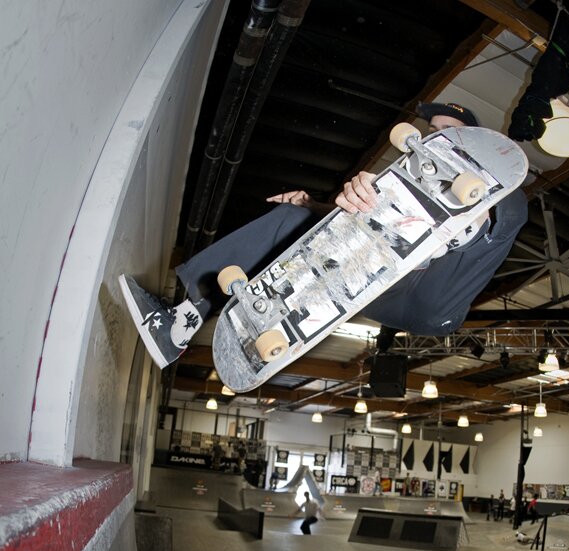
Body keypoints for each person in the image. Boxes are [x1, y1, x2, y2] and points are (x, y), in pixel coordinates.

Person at [119, 102, 528, 369]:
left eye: (447, 131)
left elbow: (494, 208)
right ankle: (181, 322)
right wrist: (316, 206)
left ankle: (478, 199)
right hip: (386, 282)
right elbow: (353, 228)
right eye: (431, 130)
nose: (433, 138)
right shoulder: (397, 179)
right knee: (291, 218)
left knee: (509, 209)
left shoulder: (493, 196)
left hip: (435, 300)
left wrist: (472, 192)